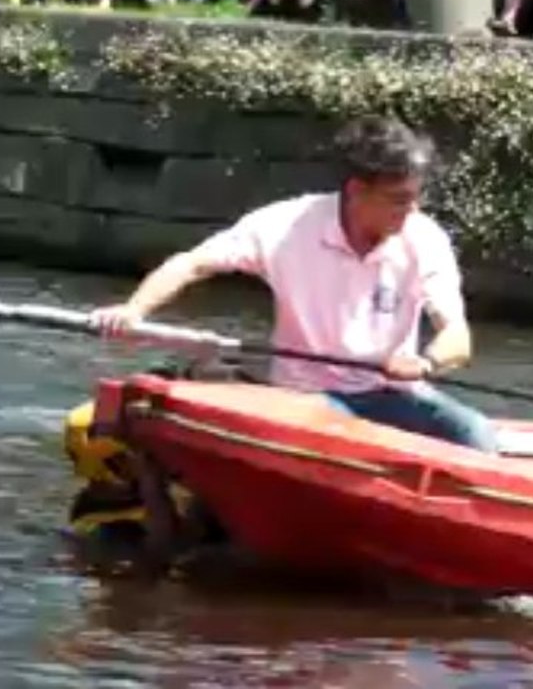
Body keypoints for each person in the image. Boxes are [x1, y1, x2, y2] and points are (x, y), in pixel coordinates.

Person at [90, 115, 499, 454]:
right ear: (357, 190)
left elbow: (457, 335)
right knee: (337, 433)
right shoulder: (285, 226)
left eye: (416, 198)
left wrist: (425, 364)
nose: (411, 211)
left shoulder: (424, 238)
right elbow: (191, 264)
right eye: (398, 199)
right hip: (305, 397)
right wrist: (134, 311)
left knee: (476, 434)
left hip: (393, 394)